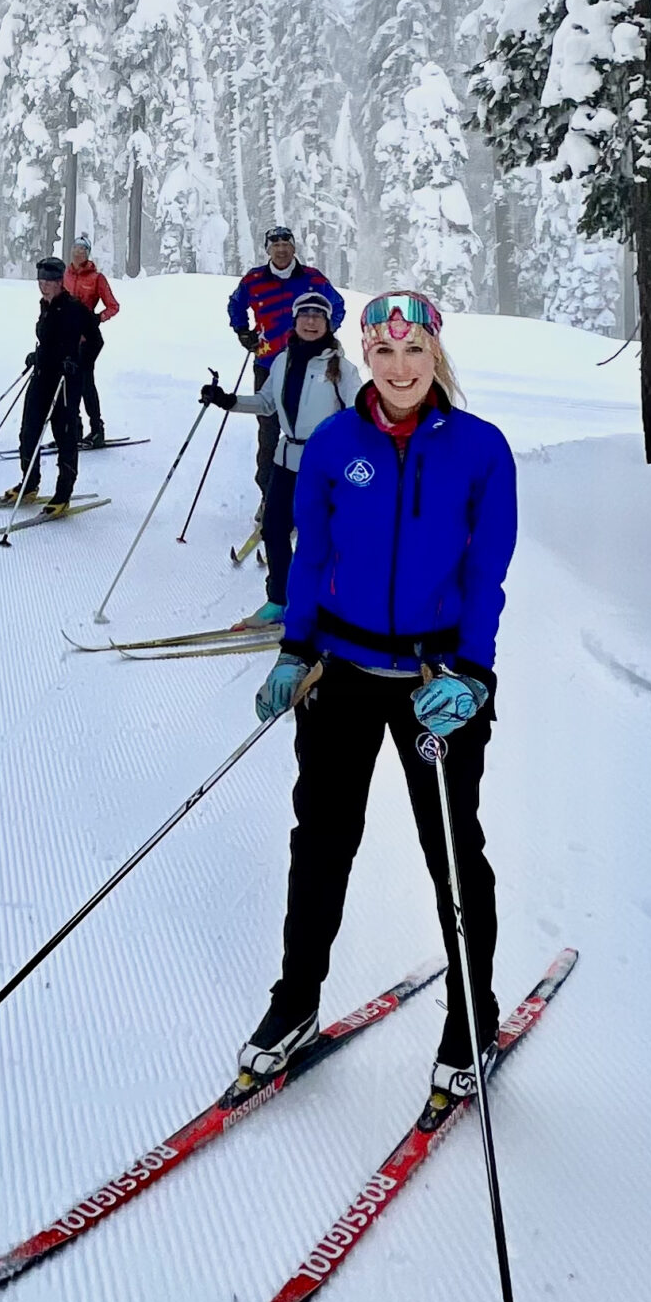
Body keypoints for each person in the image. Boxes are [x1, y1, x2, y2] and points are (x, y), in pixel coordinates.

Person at [237, 290, 518, 1131]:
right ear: (368, 354)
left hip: (437, 677)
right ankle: (296, 1003)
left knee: (452, 852)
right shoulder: (334, 442)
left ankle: (472, 1017)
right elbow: (309, 551)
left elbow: (485, 574)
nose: (399, 370)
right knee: (320, 840)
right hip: (344, 669)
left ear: (437, 357)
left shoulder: (480, 450)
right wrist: (294, 650)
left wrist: (473, 674)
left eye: (415, 354)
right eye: (385, 354)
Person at [200, 287, 353, 622]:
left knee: (319, 536)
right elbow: (268, 403)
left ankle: (322, 604)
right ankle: (279, 600)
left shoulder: (340, 367)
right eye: (305, 315)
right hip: (285, 460)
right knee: (273, 528)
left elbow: (359, 414)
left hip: (324, 466)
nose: (311, 322)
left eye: (318, 316)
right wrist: (228, 400)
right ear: (294, 321)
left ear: (328, 323)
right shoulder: (283, 360)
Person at [227, 226, 342, 494]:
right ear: (267, 249)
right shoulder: (254, 279)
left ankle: (311, 493)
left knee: (308, 433)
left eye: (286, 244)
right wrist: (243, 331)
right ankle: (268, 495)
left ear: (294, 248)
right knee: (268, 435)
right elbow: (235, 304)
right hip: (267, 364)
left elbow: (337, 305)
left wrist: (326, 333)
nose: (281, 249)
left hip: (309, 366)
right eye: (274, 245)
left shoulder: (313, 278)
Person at [9, 257, 99, 511]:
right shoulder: (45, 305)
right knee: (29, 432)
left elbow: (95, 341)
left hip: (65, 383)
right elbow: (51, 342)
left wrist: (79, 362)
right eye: (40, 280)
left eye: (49, 281)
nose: (44, 286)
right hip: (42, 377)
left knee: (65, 436)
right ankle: (29, 483)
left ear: (60, 282)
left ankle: (63, 493)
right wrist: (37, 355)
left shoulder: (75, 308)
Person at [62, 233, 119, 445]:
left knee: (85, 383)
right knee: (67, 383)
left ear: (87, 254)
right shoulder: (65, 275)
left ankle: (97, 430)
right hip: (68, 339)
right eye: (75, 248)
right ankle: (73, 431)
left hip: (90, 340)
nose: (78, 252)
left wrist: (97, 318)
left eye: (83, 249)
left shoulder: (96, 278)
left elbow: (113, 306)